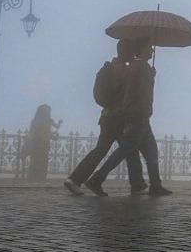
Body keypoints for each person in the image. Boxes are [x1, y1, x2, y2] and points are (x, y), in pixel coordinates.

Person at [85, 37, 172, 196]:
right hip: (137, 116)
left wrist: (151, 77)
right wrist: (129, 116)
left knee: (150, 151)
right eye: (149, 47)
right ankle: (96, 179)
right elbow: (132, 92)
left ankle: (154, 185)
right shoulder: (138, 67)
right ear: (142, 49)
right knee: (125, 150)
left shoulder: (141, 67)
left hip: (142, 115)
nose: (152, 50)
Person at [65, 39, 146, 195]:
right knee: (127, 148)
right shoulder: (127, 70)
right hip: (121, 117)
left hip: (107, 116)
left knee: (115, 149)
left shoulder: (109, 68)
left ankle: (137, 183)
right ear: (128, 52)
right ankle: (135, 184)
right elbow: (131, 94)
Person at [21, 104, 60, 183]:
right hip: (38, 145)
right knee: (38, 162)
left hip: (42, 145)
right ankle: (36, 179)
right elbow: (41, 133)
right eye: (47, 111)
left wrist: (53, 136)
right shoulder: (41, 121)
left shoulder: (41, 120)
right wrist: (53, 136)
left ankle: (38, 179)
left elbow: (48, 132)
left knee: (40, 163)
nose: (48, 112)